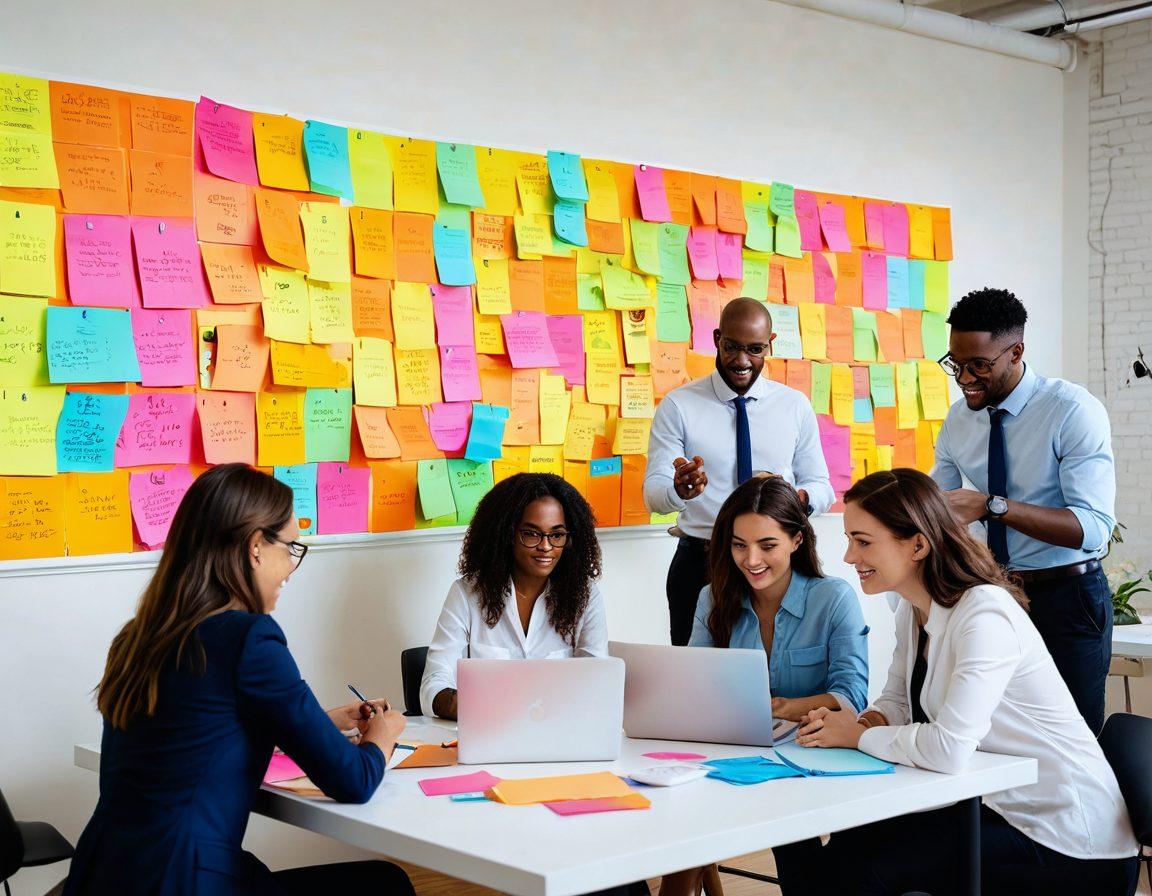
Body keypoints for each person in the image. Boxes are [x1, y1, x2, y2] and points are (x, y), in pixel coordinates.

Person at [64, 464, 414, 896]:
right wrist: (384, 735)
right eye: (290, 547)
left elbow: (199, 733)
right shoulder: (249, 638)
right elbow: (354, 781)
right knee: (386, 884)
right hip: (185, 879)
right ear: (255, 547)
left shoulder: (138, 637)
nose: (290, 567)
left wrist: (324, 720)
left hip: (104, 873)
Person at [792, 469, 1138, 896]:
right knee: (843, 844)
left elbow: (950, 749)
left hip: (1064, 839)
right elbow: (897, 700)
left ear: (917, 544)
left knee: (863, 867)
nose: (848, 556)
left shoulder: (984, 614)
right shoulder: (911, 608)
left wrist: (857, 739)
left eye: (862, 541)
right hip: (991, 806)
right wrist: (863, 723)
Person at [660, 475, 869, 896]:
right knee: (677, 815)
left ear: (796, 540)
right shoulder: (712, 598)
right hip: (733, 750)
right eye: (739, 545)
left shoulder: (833, 598)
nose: (751, 559)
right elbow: (695, 682)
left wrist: (778, 707)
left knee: (797, 849)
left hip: (805, 756)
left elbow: (850, 695)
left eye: (767, 546)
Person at [930, 287, 1116, 733]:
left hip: (1067, 600)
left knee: (1073, 741)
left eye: (979, 364)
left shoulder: (1072, 411)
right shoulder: (959, 419)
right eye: (954, 362)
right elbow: (936, 505)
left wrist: (993, 507)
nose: (963, 377)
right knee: (989, 735)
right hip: (991, 595)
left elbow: (1092, 529)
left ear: (1016, 352)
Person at [645, 297, 834, 645]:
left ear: (770, 344)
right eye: (732, 347)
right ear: (717, 338)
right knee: (697, 678)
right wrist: (678, 491)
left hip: (775, 561)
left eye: (755, 349)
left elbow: (822, 486)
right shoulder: (679, 405)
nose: (742, 360)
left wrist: (797, 498)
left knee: (776, 669)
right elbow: (654, 494)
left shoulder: (794, 406)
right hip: (701, 560)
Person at [420, 472, 608, 720]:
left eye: (557, 535)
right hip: (487, 733)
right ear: (506, 534)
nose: (546, 546)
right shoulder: (467, 594)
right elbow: (434, 682)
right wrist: (469, 705)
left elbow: (597, 679)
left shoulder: (585, 595)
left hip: (560, 734)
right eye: (531, 533)